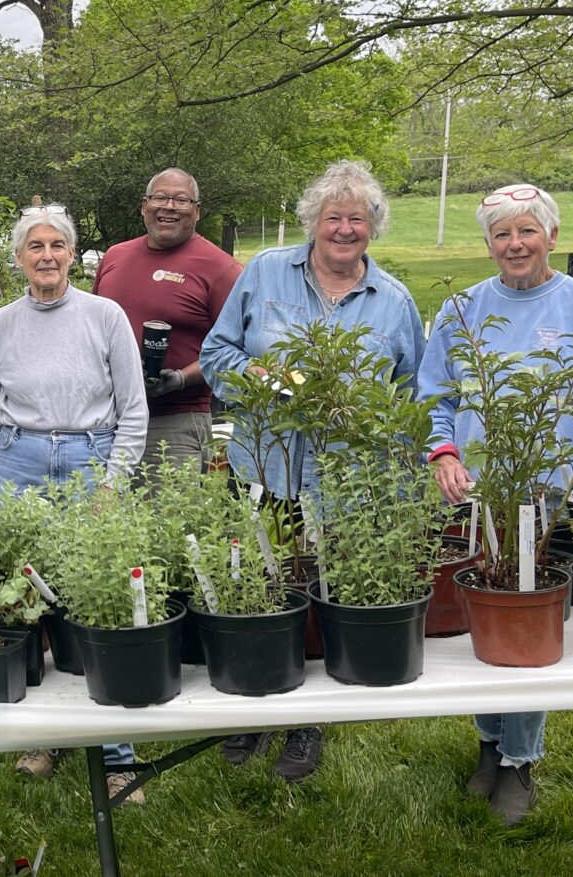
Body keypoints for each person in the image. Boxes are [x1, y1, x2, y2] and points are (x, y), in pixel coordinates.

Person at [199, 159, 424, 782]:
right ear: (312, 224)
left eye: (357, 218)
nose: (344, 229)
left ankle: (308, 719)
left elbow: (412, 395)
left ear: (372, 228)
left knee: (325, 589)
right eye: (334, 217)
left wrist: (398, 471)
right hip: (264, 465)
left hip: (348, 477)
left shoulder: (394, 300)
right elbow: (217, 353)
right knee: (261, 584)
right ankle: (255, 702)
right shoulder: (266, 274)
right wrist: (262, 378)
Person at [416, 182, 573, 826]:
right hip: (481, 492)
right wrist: (446, 454)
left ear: (552, 238)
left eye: (527, 231)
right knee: (489, 614)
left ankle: (519, 760)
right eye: (502, 234)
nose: (515, 244)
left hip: (553, 494)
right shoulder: (460, 310)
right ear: (488, 246)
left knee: (530, 625)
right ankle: (488, 742)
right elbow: (437, 393)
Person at [0, 204, 148, 804]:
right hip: (20, 462)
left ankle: (119, 754)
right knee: (27, 601)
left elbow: (134, 410)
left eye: (57, 245)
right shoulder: (0, 324)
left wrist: (112, 482)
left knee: (99, 598)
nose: (46, 256)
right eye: (34, 246)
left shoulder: (105, 316)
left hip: (88, 458)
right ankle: (44, 737)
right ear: (18, 258)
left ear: (73, 255)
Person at [93, 167, 242, 467]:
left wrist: (180, 379)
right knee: (102, 512)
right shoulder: (115, 257)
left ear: (197, 211)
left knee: (167, 514)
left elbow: (236, 351)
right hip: (104, 420)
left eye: (181, 200)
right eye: (160, 198)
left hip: (173, 425)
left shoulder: (222, 269)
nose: (169, 207)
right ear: (144, 206)